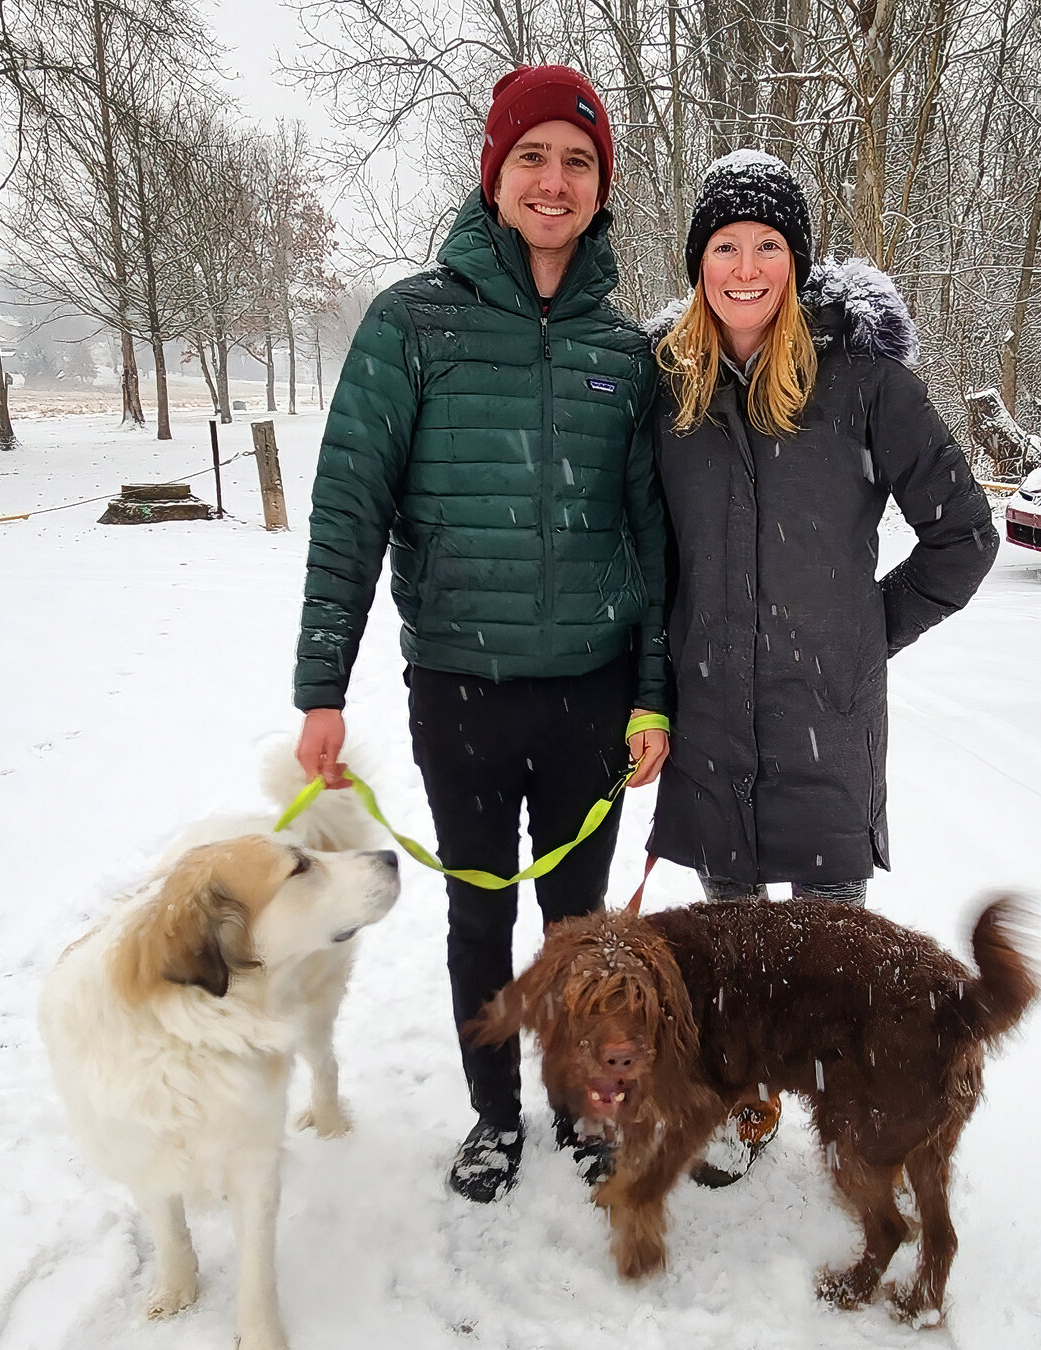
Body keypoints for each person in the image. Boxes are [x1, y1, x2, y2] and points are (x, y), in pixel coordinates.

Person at [293, 65, 670, 1202]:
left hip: (589, 695)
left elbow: (652, 538)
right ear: (494, 175)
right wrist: (322, 683)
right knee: (477, 910)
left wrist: (651, 692)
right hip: (457, 685)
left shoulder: (623, 350)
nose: (553, 183)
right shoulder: (413, 324)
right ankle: (493, 1113)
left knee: (576, 925)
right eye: (532, 158)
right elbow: (348, 505)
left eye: (577, 163)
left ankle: (576, 1106)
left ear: (599, 189)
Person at [649, 149, 999, 1184]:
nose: (744, 267)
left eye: (766, 247)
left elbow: (962, 536)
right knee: (727, 932)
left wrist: (861, 631)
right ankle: (746, 1102)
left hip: (823, 717)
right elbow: (644, 546)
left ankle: (853, 1106)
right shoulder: (669, 386)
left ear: (795, 265)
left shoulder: (864, 385)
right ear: (697, 263)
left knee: (830, 944)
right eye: (723, 247)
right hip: (710, 715)